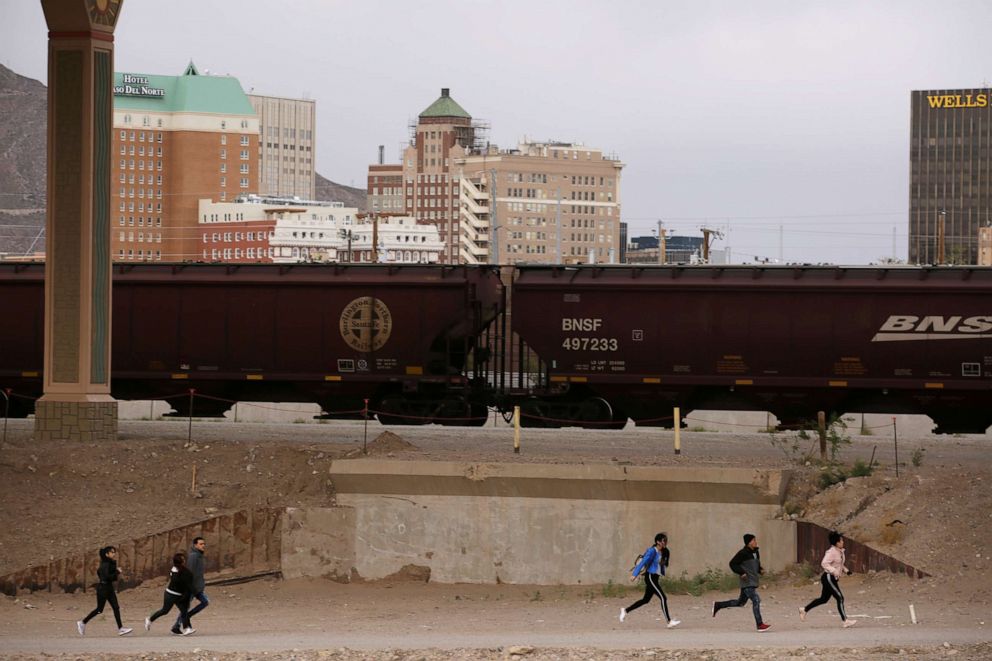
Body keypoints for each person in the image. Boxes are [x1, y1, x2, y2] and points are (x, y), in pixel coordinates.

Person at [619, 532, 681, 628]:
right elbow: (643, 562)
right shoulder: (652, 551)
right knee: (663, 598)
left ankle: (625, 610)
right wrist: (634, 574)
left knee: (645, 600)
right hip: (650, 577)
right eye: (663, 540)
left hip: (655, 578)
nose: (665, 542)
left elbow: (665, 564)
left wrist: (663, 562)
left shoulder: (665, 551)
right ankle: (669, 621)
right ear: (658, 542)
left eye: (666, 540)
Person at [712, 533, 771, 632]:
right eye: (753, 540)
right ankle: (760, 624)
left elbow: (755, 565)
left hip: (753, 580)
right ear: (748, 543)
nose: (755, 542)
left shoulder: (756, 553)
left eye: (755, 540)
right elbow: (732, 564)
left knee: (740, 603)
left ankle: (718, 605)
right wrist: (741, 572)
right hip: (747, 582)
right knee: (756, 600)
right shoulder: (742, 553)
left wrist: (760, 570)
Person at [799, 530, 857, 627]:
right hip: (829, 577)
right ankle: (845, 621)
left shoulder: (840, 551)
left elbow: (839, 564)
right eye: (841, 541)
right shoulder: (831, 552)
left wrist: (846, 571)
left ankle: (804, 610)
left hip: (832, 578)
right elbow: (824, 563)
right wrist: (834, 571)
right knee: (840, 598)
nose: (843, 542)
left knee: (823, 599)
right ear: (837, 543)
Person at [77, 546, 133, 636]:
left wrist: (115, 572)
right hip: (103, 589)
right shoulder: (105, 564)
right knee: (99, 610)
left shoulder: (108, 563)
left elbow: (103, 574)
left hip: (109, 588)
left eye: (114, 552)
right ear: (107, 554)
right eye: (112, 552)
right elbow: (107, 577)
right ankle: (82, 622)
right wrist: (117, 572)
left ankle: (121, 628)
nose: (114, 553)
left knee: (116, 607)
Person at [145, 552, 195, 636]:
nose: (184, 561)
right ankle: (149, 619)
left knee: (184, 611)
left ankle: (187, 628)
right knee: (165, 611)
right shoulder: (176, 571)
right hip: (170, 594)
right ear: (180, 562)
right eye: (183, 560)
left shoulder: (182, 571)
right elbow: (181, 583)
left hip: (179, 595)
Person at [172, 537, 208, 635]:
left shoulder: (199, 556)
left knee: (205, 602)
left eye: (204, 544)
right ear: (195, 545)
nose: (203, 545)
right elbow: (189, 573)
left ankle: (178, 624)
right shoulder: (193, 556)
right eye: (201, 544)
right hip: (192, 588)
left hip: (197, 587)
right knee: (187, 607)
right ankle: (178, 624)